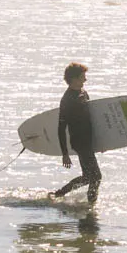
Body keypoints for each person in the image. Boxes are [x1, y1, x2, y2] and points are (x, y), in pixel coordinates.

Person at [48, 61, 101, 203]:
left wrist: (102, 143)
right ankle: (91, 205)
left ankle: (59, 194)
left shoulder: (83, 93)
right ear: (74, 79)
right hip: (79, 142)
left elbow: (92, 120)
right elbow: (61, 128)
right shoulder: (67, 100)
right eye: (83, 77)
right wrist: (65, 154)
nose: (85, 79)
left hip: (88, 141)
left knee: (88, 177)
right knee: (95, 176)